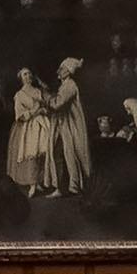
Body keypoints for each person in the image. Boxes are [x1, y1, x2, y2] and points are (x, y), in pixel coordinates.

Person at [41, 56, 91, 197]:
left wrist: (45, 94)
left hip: (69, 126)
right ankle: (60, 187)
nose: (59, 71)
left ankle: (73, 187)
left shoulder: (70, 85)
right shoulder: (65, 85)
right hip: (61, 124)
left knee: (69, 155)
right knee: (57, 154)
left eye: (62, 69)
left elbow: (57, 104)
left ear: (68, 71)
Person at [6, 68, 51, 197]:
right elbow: (20, 115)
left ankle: (38, 181)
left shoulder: (38, 91)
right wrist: (35, 111)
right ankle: (32, 184)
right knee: (31, 153)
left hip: (42, 124)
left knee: (42, 154)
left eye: (29, 73)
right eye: (25, 74)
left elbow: (46, 105)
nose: (28, 76)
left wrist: (44, 110)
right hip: (27, 127)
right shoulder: (19, 95)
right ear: (21, 78)